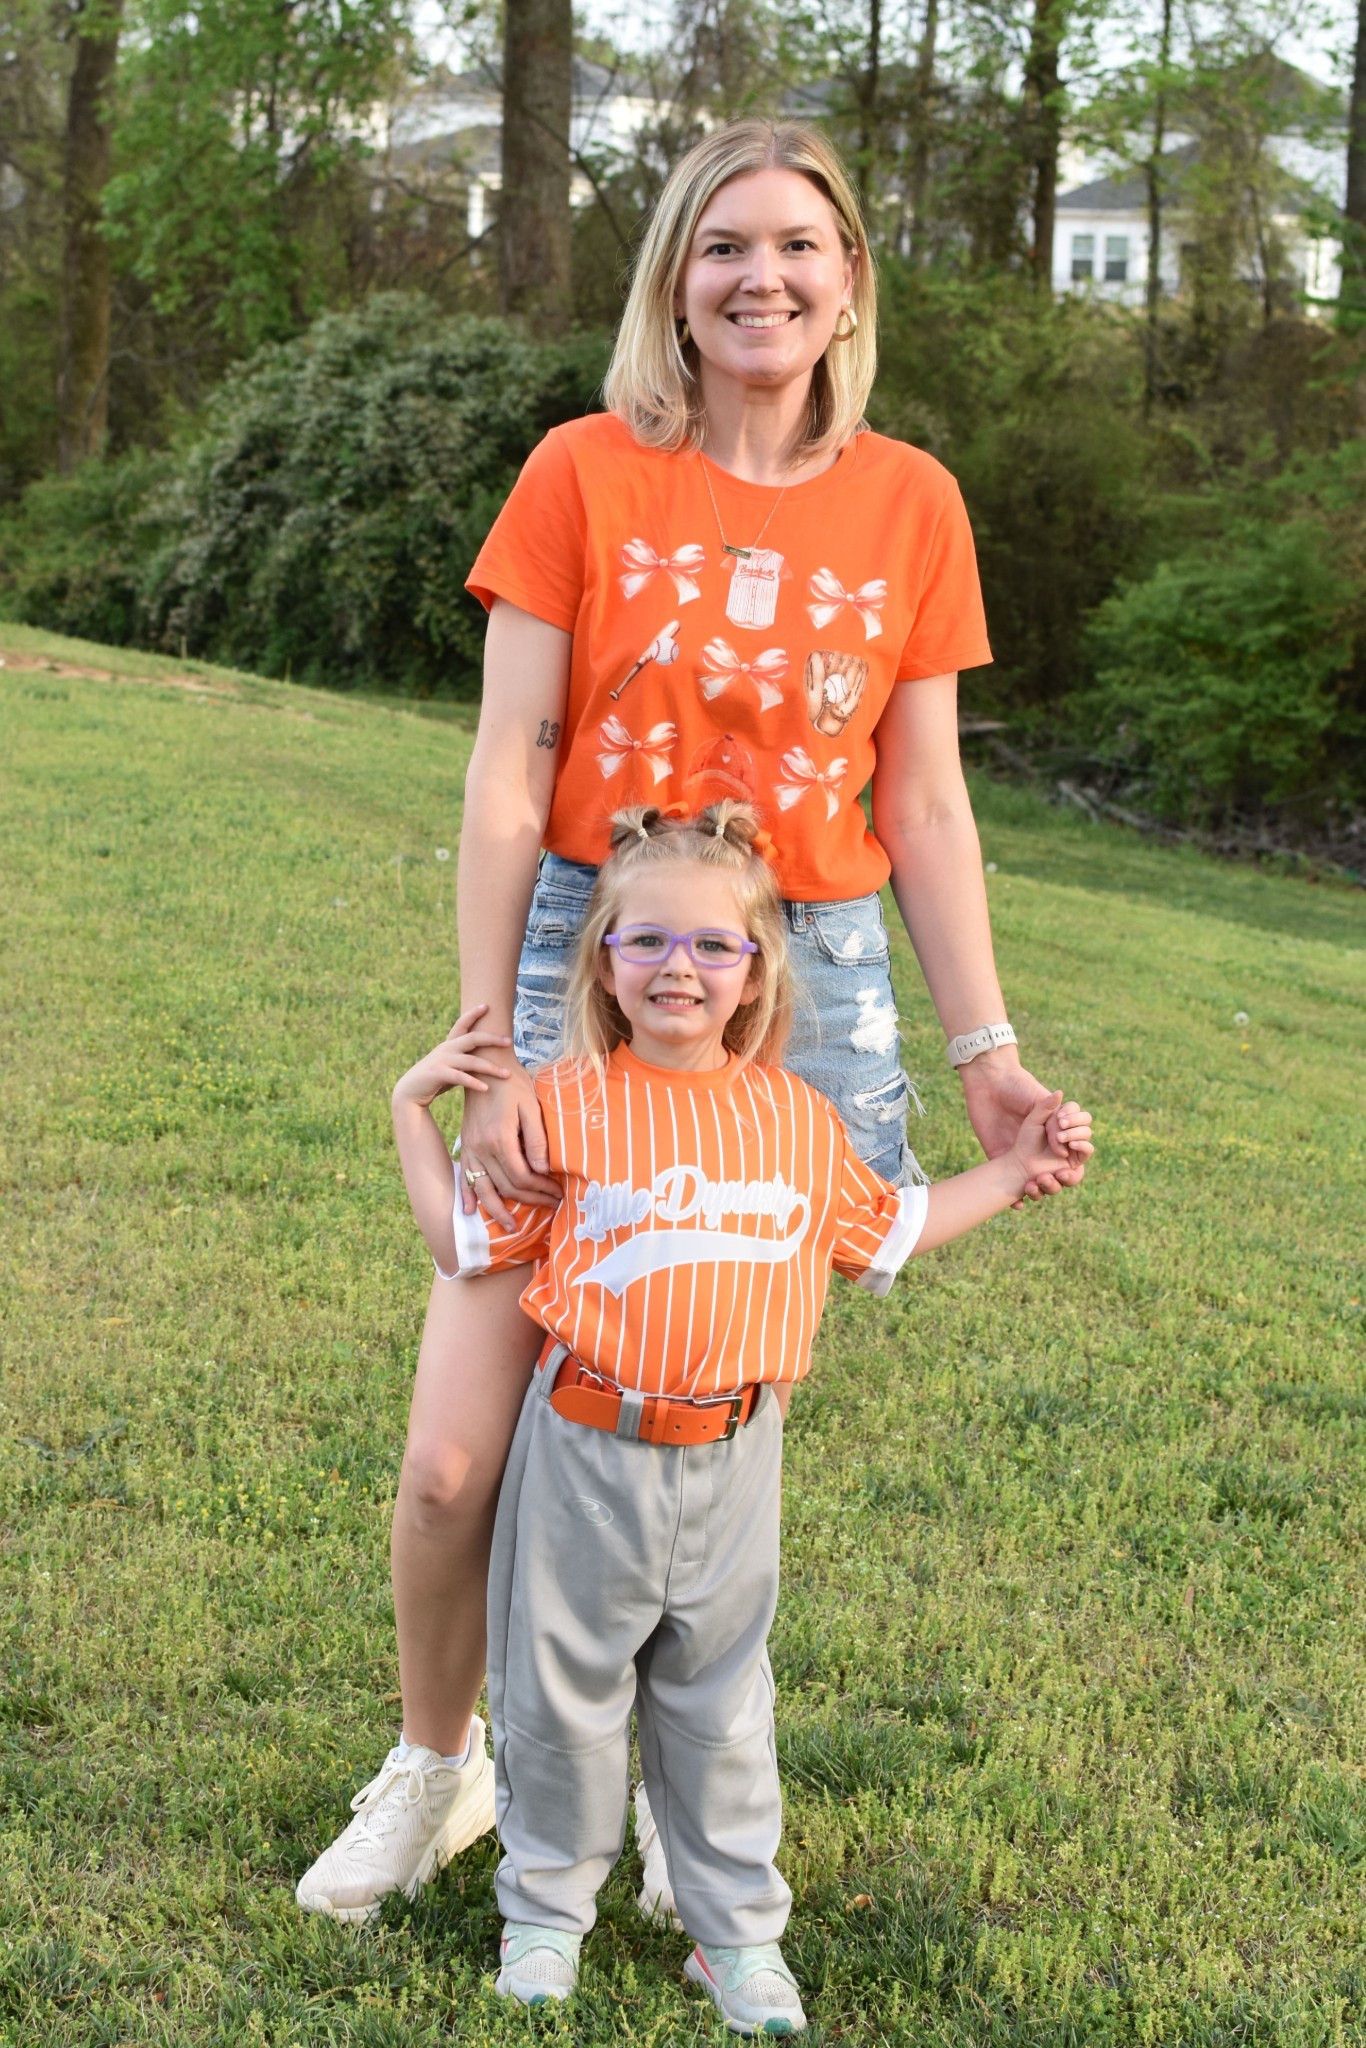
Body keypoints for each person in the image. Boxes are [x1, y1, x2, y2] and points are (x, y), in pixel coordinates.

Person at [295, 116, 1089, 1925]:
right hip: (595, 948)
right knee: (454, 1454)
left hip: (799, 974)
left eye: (799, 245)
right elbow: (511, 769)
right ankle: (438, 1763)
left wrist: (986, 1057)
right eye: (724, 244)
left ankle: (681, 1781)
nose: (761, 277)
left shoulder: (912, 501)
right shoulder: (582, 471)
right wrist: (491, 1040)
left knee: (696, 1419)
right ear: (674, 278)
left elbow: (927, 805)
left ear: (848, 284)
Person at [389, 804, 1093, 2033]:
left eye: (714, 944)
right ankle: (544, 1913)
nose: (680, 966)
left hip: (732, 1450)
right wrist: (412, 1105)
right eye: (647, 939)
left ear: (759, 969)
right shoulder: (564, 1105)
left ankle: (736, 1938)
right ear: (603, 959)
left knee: (720, 1704)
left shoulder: (796, 1119)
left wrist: (1013, 1171)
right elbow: (464, 1242)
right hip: (585, 1440)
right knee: (557, 1694)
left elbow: (888, 1232)